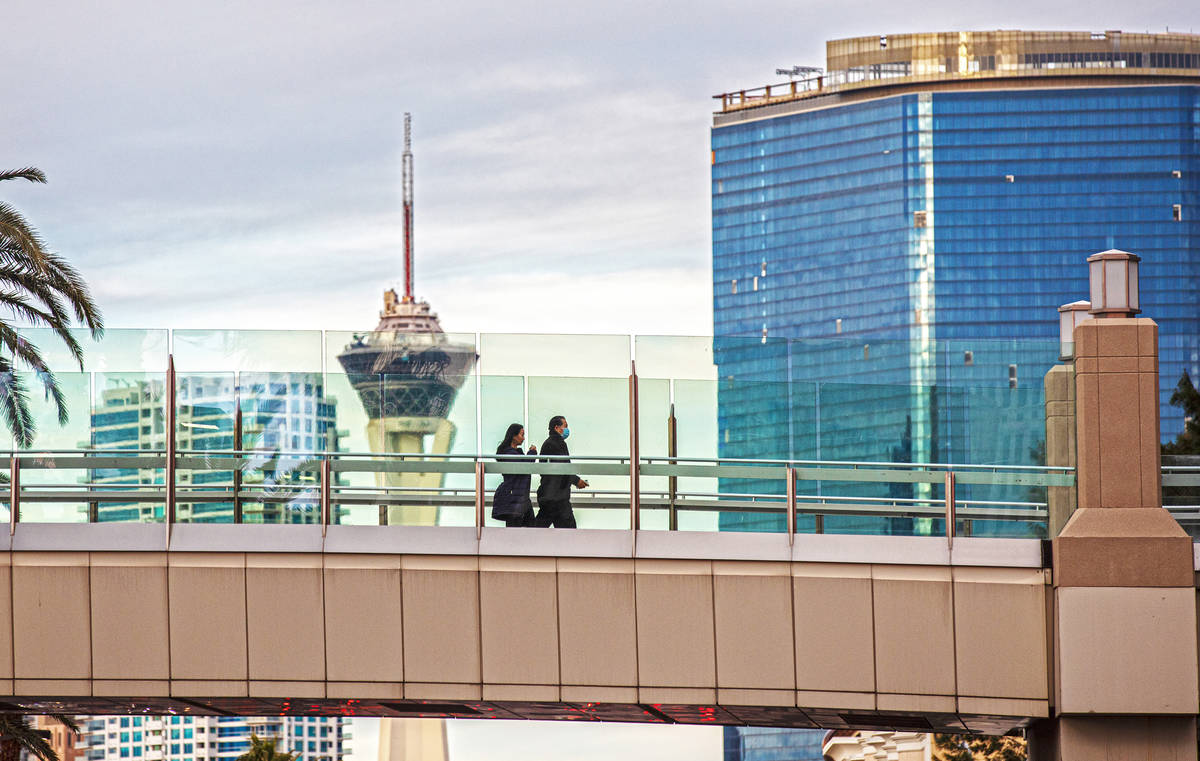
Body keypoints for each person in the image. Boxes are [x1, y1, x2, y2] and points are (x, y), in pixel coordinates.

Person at [535, 415, 588, 528]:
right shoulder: (556, 443)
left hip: (550, 495)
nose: (567, 429)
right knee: (569, 533)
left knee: (539, 529)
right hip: (557, 496)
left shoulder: (550, 443)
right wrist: (577, 481)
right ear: (557, 428)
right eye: (565, 426)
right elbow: (564, 467)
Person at [491, 423, 537, 527]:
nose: (523, 438)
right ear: (513, 436)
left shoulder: (515, 454)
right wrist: (532, 453)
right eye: (522, 435)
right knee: (515, 530)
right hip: (515, 498)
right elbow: (524, 466)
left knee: (530, 530)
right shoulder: (508, 454)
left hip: (521, 497)